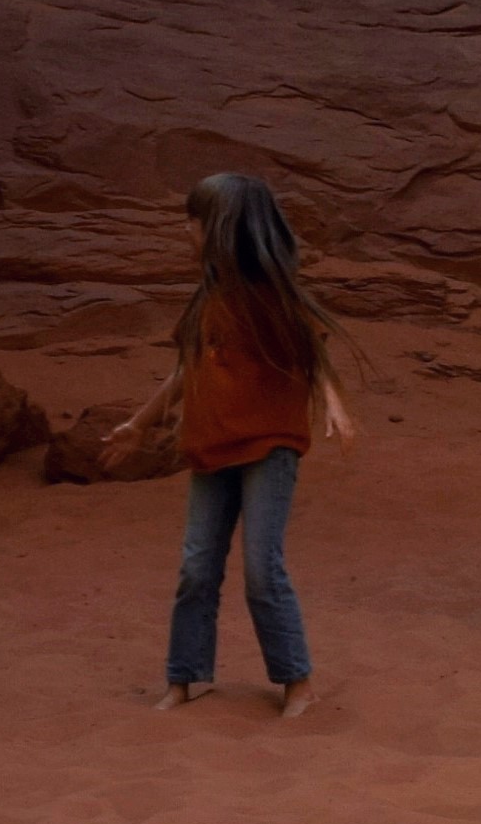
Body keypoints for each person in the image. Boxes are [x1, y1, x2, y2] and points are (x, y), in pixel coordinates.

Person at [99, 173, 358, 717]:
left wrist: (333, 405)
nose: (184, 232)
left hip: (268, 446)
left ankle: (297, 682)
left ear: (220, 229)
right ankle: (184, 677)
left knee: (263, 569)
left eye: (192, 222)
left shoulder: (272, 296)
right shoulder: (208, 300)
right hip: (210, 447)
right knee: (197, 567)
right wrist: (140, 423)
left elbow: (314, 353)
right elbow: (183, 371)